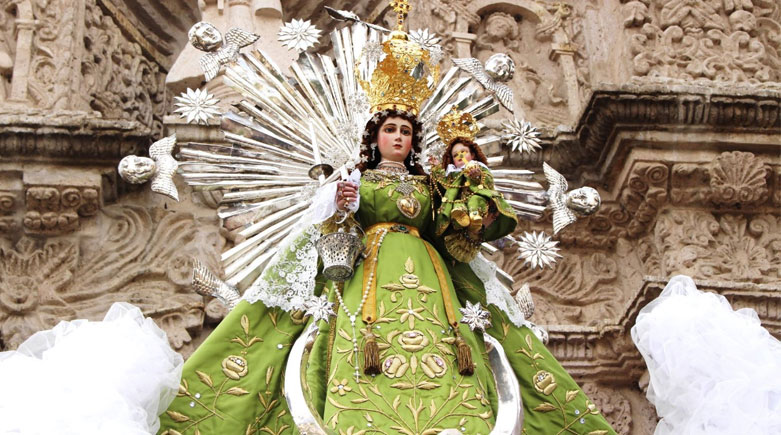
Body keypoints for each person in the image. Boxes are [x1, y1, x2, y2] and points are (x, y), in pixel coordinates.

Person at [430, 107, 517, 263]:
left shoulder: (478, 167)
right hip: (456, 201)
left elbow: (487, 181)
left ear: (473, 154)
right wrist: (436, 167)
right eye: (455, 155)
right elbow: (443, 183)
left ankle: (474, 218)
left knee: (476, 201)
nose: (460, 156)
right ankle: (460, 218)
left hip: (476, 196)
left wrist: (476, 176)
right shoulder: (452, 173)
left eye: (463, 152)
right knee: (457, 206)